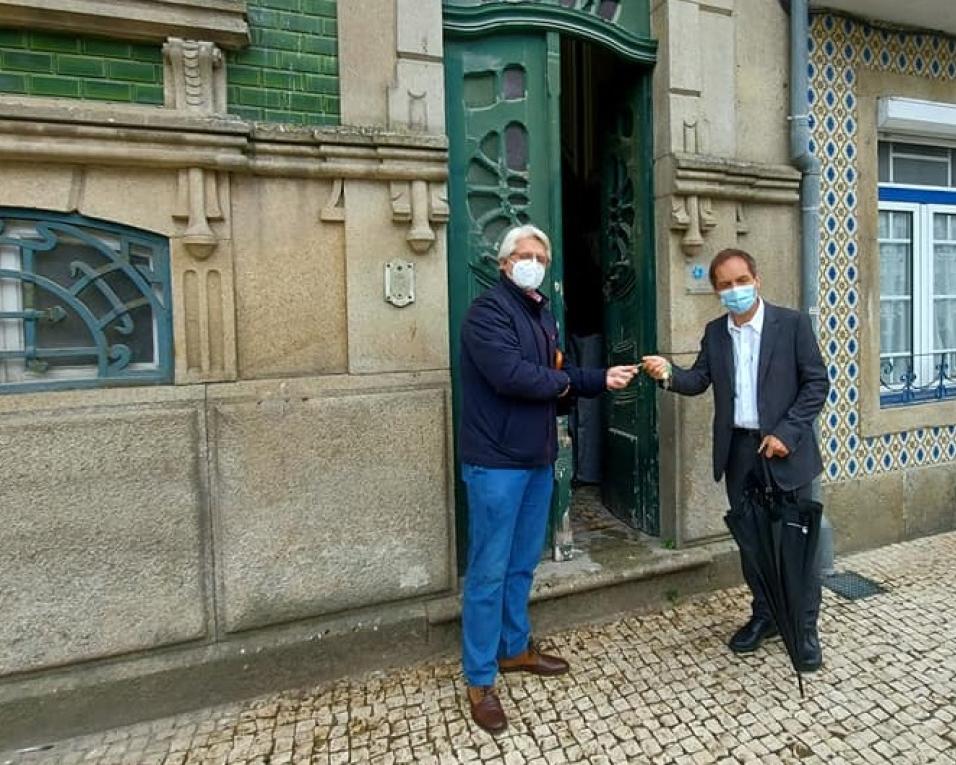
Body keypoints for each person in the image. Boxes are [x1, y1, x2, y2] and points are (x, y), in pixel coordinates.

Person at [458, 224, 638, 734]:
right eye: (523, 254)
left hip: (536, 459)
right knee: (489, 571)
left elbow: (552, 375)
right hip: (495, 462)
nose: (533, 261)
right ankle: (479, 677)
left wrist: (598, 379)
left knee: (520, 564)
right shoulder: (487, 313)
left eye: (540, 255)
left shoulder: (540, 314)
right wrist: (579, 379)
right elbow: (511, 376)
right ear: (503, 262)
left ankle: (514, 649)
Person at [642, 248, 828, 671]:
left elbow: (816, 384)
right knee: (753, 543)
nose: (734, 290)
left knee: (794, 544)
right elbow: (698, 380)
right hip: (740, 452)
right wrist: (667, 373)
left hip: (785, 449)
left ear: (756, 279)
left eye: (740, 281)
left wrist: (787, 433)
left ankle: (803, 627)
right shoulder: (715, 332)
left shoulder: (792, 325)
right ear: (716, 290)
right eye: (725, 285)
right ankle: (765, 614)